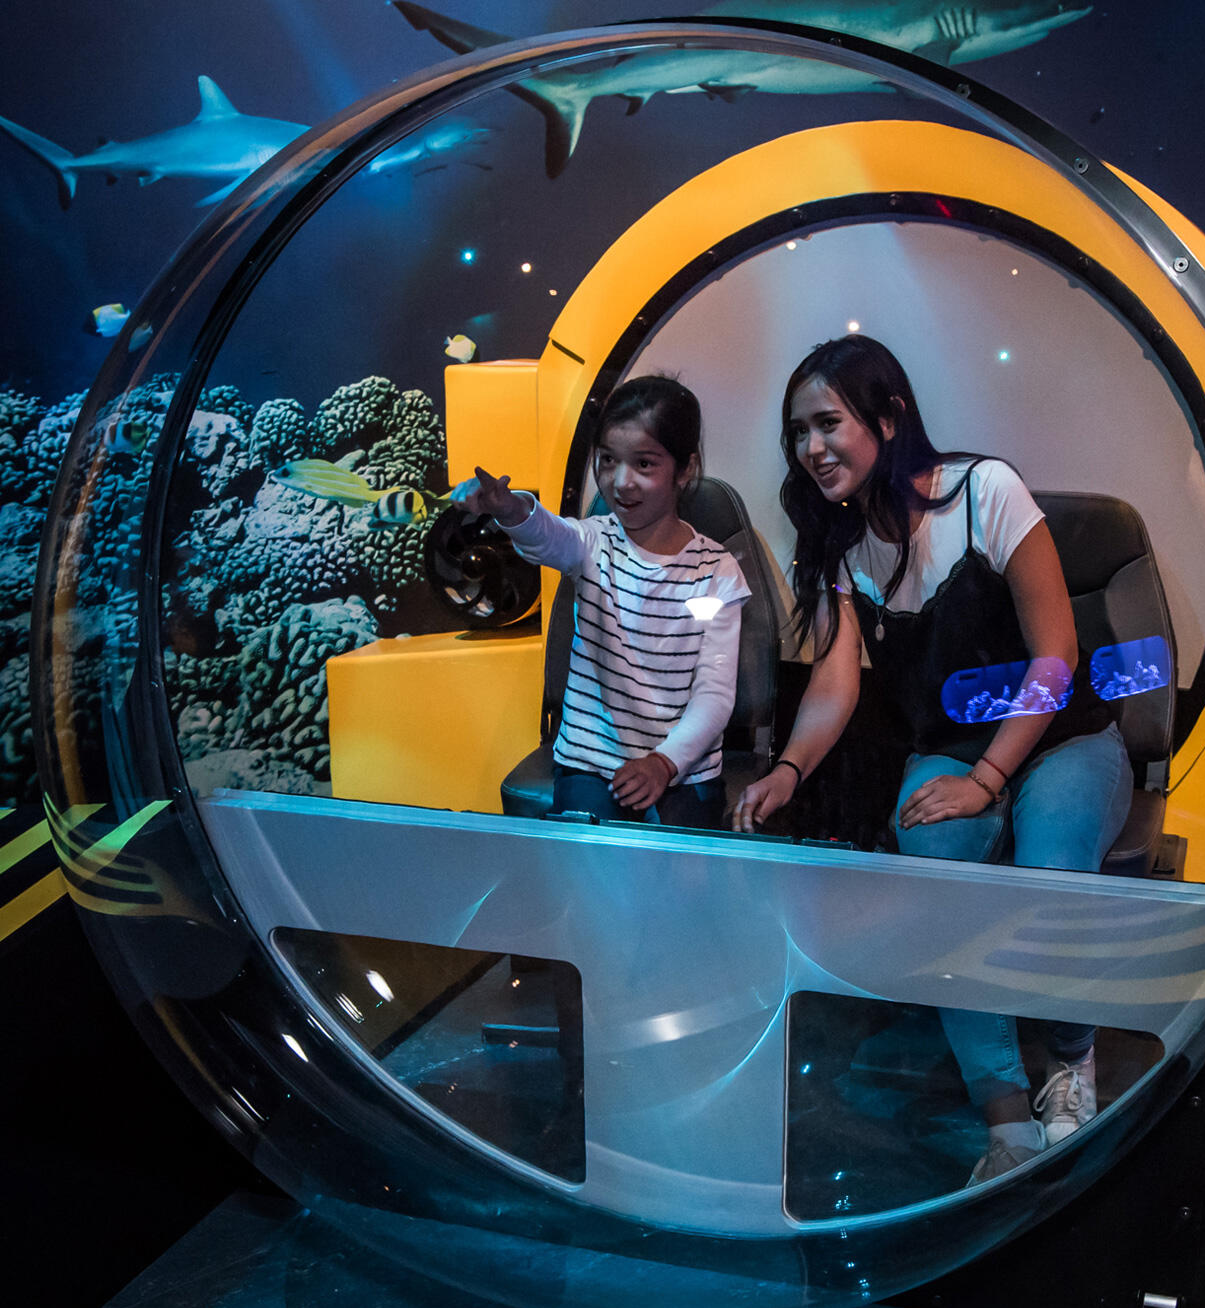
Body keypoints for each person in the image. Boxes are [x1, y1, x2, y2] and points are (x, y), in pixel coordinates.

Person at [731, 336, 1131, 1185]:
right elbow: (835, 686)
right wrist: (790, 771)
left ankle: (1071, 1058)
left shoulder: (986, 490)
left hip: (1062, 737)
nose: (812, 449)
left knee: (1049, 874)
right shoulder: (840, 544)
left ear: (889, 416)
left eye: (829, 423)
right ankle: (1006, 1123)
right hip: (948, 748)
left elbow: (1055, 659)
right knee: (936, 871)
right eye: (798, 432)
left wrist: (988, 780)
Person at [459, 375, 750, 829]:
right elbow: (548, 537)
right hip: (592, 762)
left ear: (685, 469)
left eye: (645, 464)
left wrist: (664, 763)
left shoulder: (716, 570)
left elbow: (713, 693)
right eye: (608, 459)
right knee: (590, 877)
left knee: (681, 884)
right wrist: (512, 510)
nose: (620, 481)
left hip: (684, 767)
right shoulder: (592, 542)